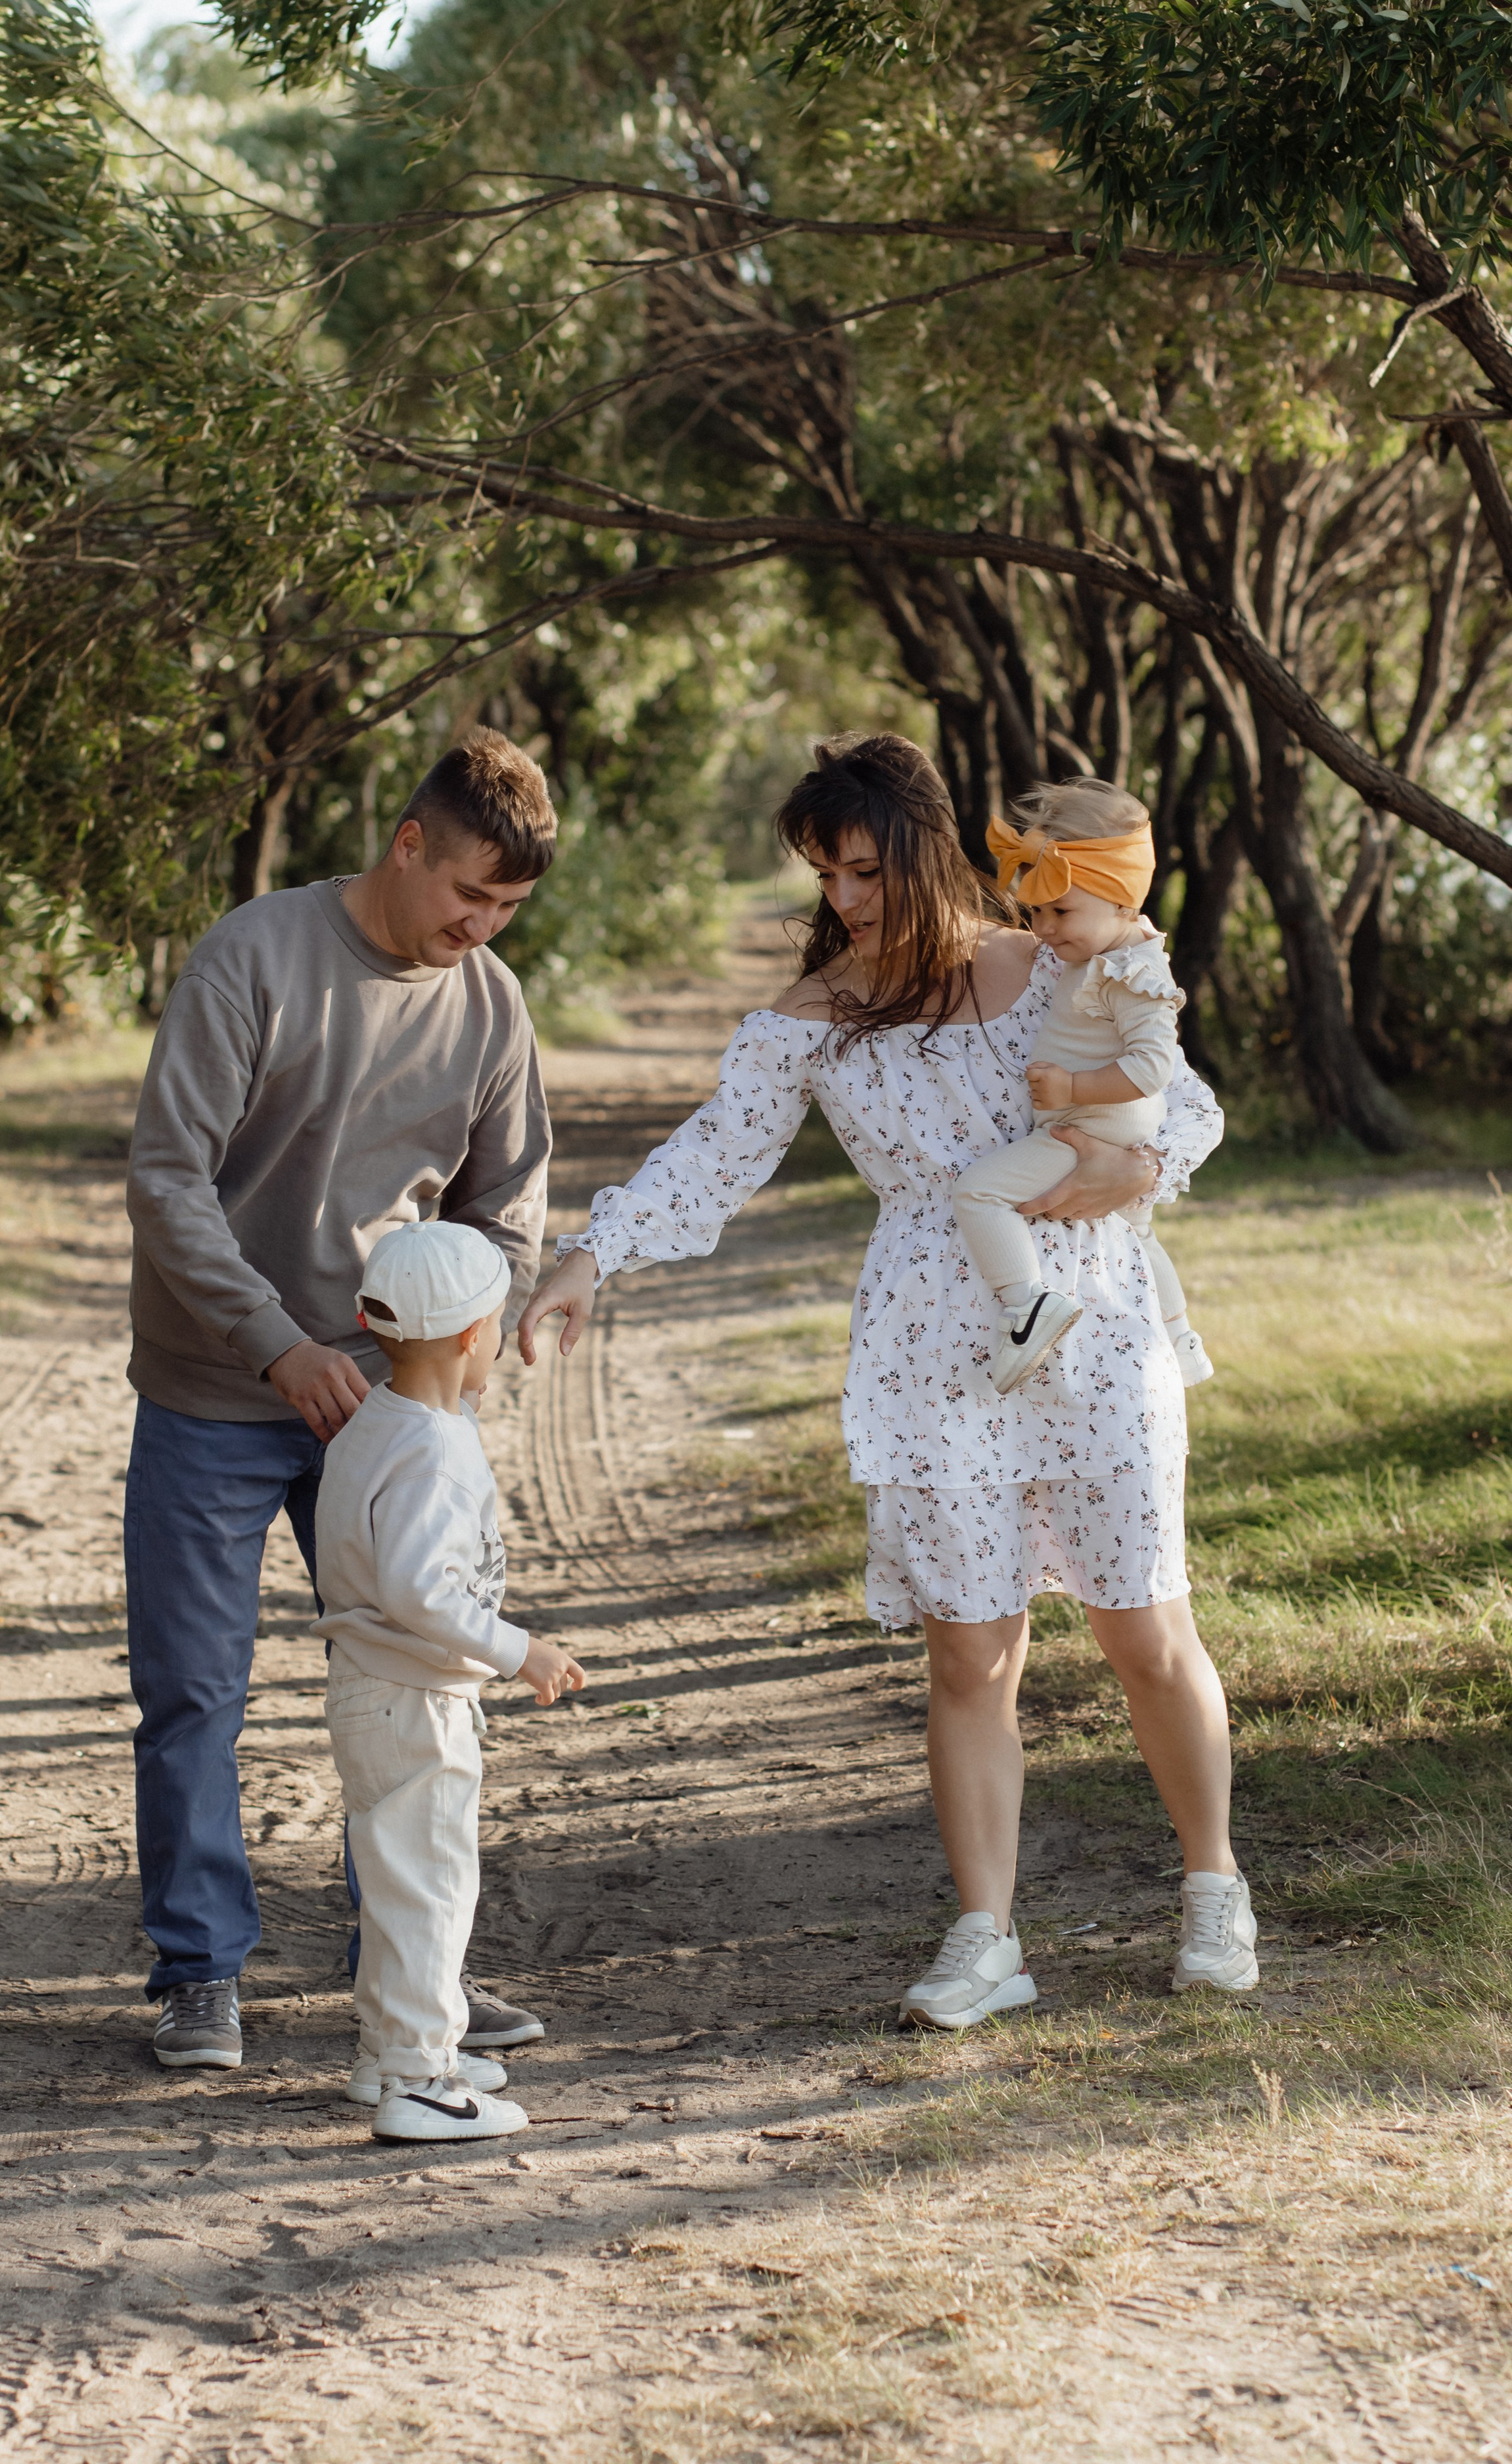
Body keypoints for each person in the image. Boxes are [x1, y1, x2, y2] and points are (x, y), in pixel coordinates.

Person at [519, 733, 1258, 2031]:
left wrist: (1135, 1173)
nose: (845, 900)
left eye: (864, 870)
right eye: (825, 874)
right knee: (969, 1657)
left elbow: (1181, 1101)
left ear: (925, 850)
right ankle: (985, 1936)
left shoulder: (1054, 958)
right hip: (933, 1345)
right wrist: (592, 1255)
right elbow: (710, 1159)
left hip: (1088, 1318)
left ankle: (1212, 1887)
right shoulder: (816, 1018)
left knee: (1144, 1631)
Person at [124, 729, 557, 2072]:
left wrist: (416, 1366)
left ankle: (407, 1965)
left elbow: (508, 1214)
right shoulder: (255, 956)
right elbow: (165, 1179)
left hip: (386, 1410)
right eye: (465, 895)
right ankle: (200, 1971)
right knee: (195, 1692)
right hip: (215, 1387)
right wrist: (273, 1345)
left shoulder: (489, 1005)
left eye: (504, 911)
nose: (477, 928)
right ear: (407, 843)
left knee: (418, 1681)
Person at [317, 1220, 585, 2143]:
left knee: (399, 1886)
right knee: (431, 1890)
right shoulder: (430, 1447)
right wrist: (520, 1650)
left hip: (376, 1691)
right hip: (415, 1701)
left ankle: (391, 2053)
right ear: (475, 1336)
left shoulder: (379, 1421)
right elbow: (420, 1590)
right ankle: (425, 2082)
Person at [951, 781, 1213, 1394]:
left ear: (1121, 900)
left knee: (978, 1194)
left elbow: (1153, 1069)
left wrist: (1072, 1085)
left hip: (1091, 1129)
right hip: (1105, 1125)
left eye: (1060, 911)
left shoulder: (1134, 970)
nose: (1042, 928)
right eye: (1036, 912)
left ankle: (1026, 1309)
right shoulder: (1098, 957)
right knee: (1141, 1235)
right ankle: (1180, 1339)